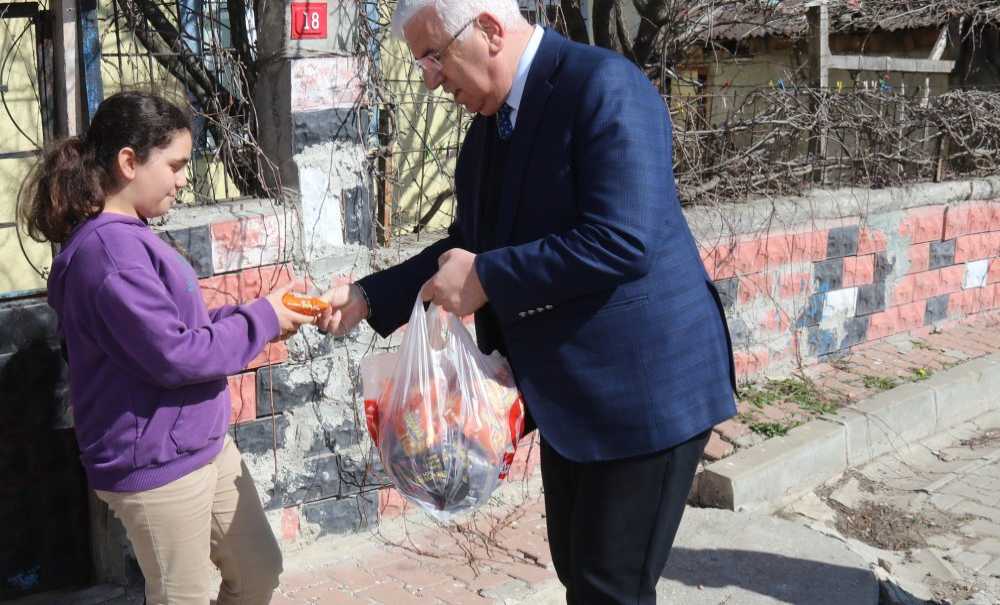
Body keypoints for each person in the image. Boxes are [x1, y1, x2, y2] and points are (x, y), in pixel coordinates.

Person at [317, 1, 738, 602]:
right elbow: (470, 244)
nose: (429, 78)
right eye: (420, 63)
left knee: (610, 588)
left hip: (645, 394)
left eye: (433, 56)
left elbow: (623, 239)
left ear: (488, 30)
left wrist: (489, 275)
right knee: (578, 572)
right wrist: (367, 296)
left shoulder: (603, 87)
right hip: (571, 399)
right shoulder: (489, 131)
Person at [20, 91, 313, 605]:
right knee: (184, 595)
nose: (183, 179)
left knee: (258, 568)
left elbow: (179, 330)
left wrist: (267, 317)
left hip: (203, 445)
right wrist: (262, 317)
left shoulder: (131, 237)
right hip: (156, 462)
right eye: (175, 165)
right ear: (129, 162)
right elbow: (175, 355)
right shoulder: (108, 254)